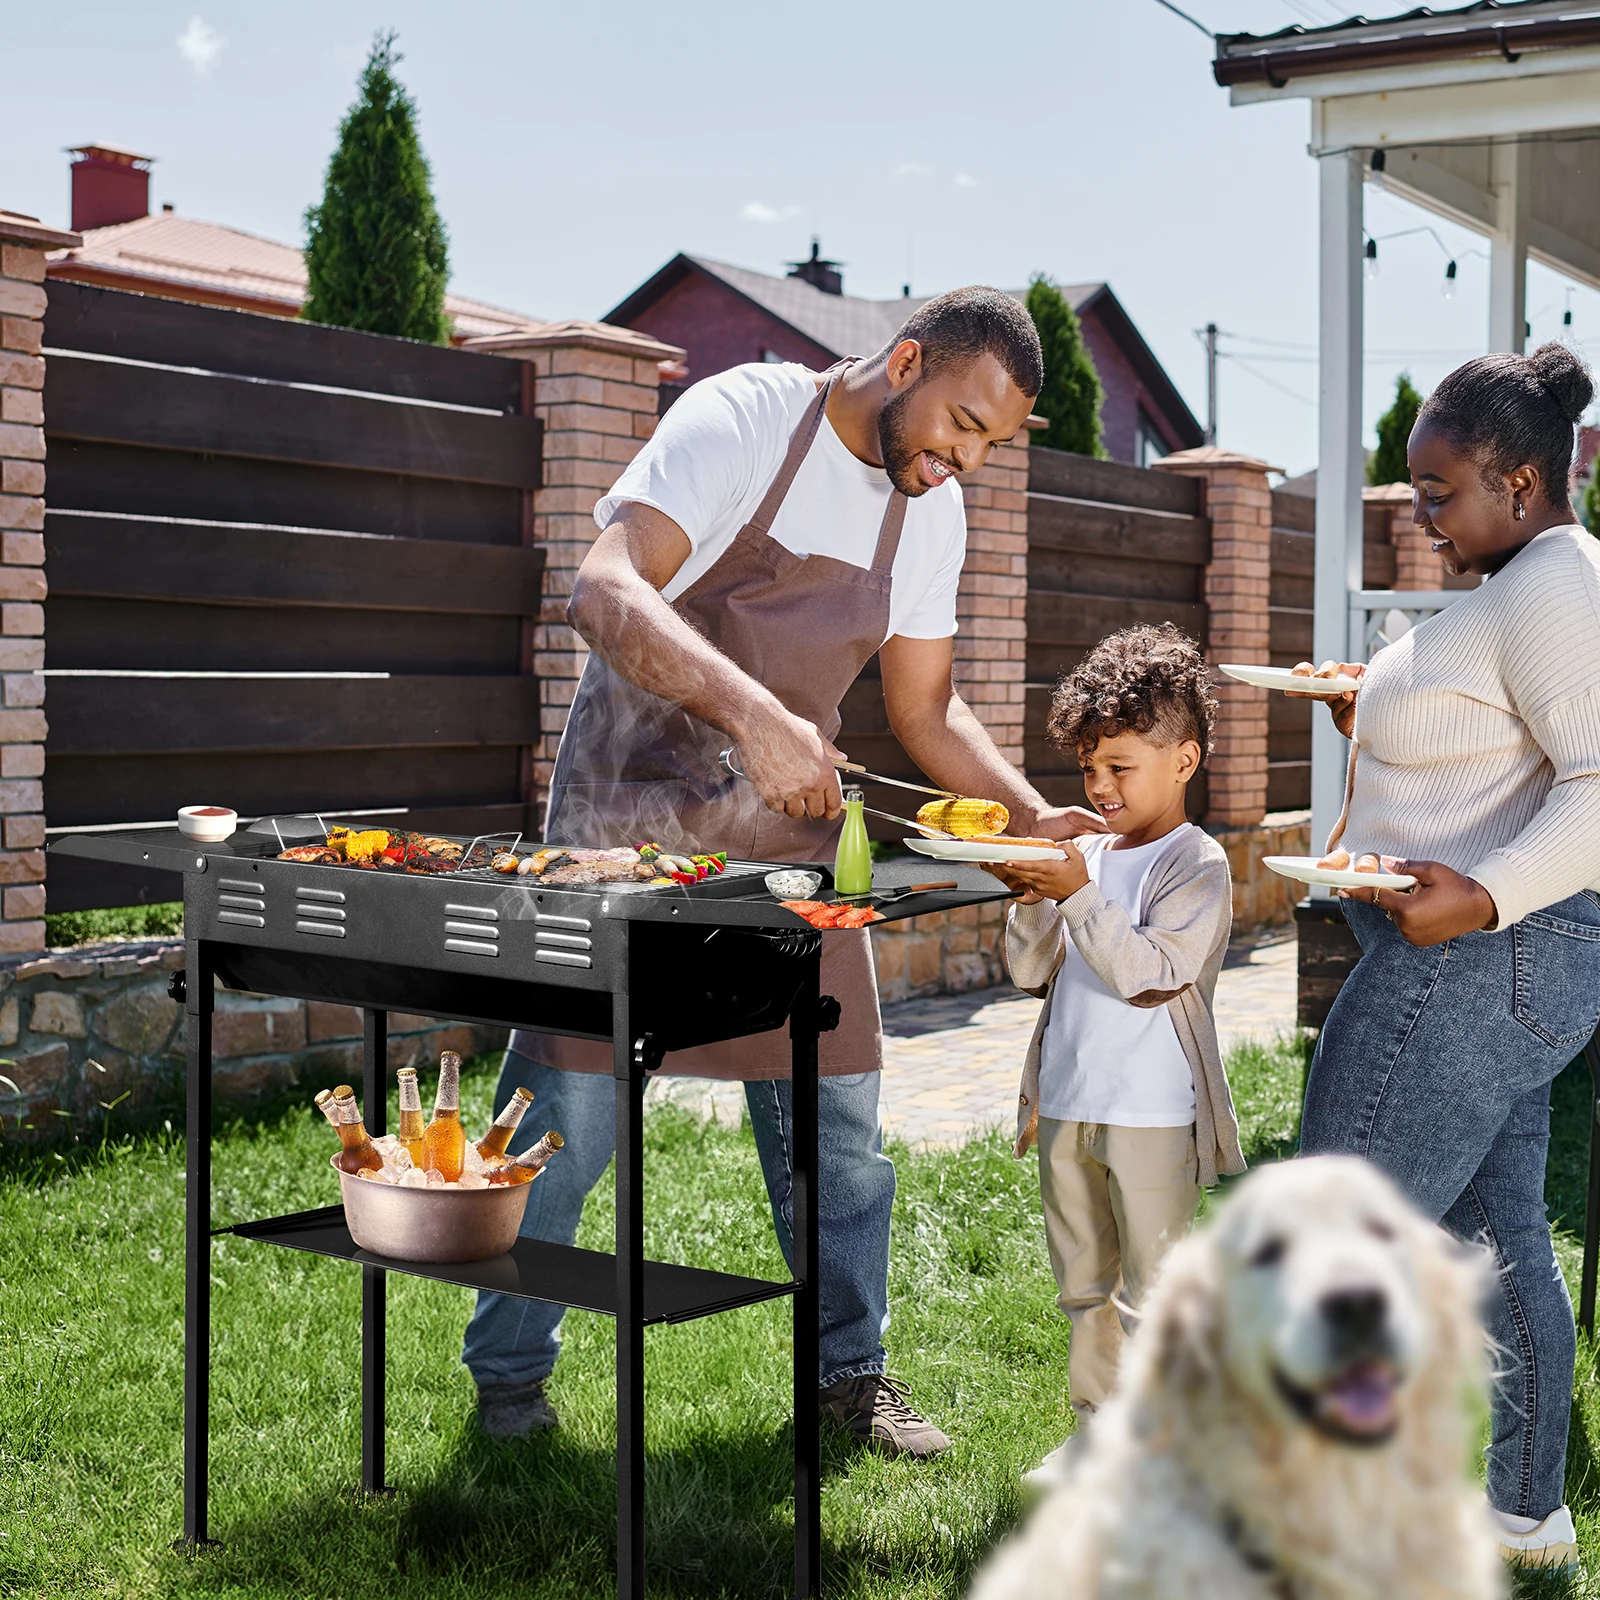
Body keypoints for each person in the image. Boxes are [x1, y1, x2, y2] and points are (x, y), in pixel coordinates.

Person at [462, 288, 1107, 1456]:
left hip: (788, 853)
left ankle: (847, 1378)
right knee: (568, 1113)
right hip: (626, 828)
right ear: (904, 360)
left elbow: (925, 705)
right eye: (959, 423)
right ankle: (508, 1380)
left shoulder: (930, 513)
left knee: (839, 1126)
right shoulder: (747, 417)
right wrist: (759, 716)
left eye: (989, 444)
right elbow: (603, 591)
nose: (963, 459)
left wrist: (1024, 815)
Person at [1300, 343, 1600, 1574]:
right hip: (1509, 967)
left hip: (1487, 960)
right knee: (1494, 1238)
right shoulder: (1524, 577)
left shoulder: (1552, 582)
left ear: (1520, 481)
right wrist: (1365, 706)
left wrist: (1480, 899)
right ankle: (1525, 1515)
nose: (1420, 518)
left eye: (1437, 493)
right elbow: (1489, 744)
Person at [986, 624, 1243, 1486]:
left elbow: (1151, 977)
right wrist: (1030, 898)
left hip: (1153, 1111)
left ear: (1185, 760)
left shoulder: (1196, 862)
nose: (1099, 787)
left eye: (1120, 766)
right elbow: (1029, 973)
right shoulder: (1084, 855)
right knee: (1085, 1283)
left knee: (1154, 1285)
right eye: (1089, 767)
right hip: (1067, 1099)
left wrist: (1079, 895)